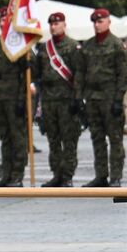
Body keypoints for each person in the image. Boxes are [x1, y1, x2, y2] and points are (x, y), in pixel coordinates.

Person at [78, 8, 127, 187]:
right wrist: (79, 98)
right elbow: (81, 72)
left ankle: (116, 176)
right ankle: (101, 175)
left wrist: (118, 98)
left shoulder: (116, 45)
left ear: (108, 22)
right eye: (95, 22)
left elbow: (123, 73)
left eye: (100, 21)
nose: (97, 25)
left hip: (110, 96)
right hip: (92, 98)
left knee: (115, 138)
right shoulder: (88, 45)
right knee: (97, 138)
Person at [34, 12, 82, 187]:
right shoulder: (44, 49)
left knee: (69, 140)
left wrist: (78, 99)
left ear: (64, 24)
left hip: (67, 100)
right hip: (48, 101)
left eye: (57, 23)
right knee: (53, 139)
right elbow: (37, 74)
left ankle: (67, 175)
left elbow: (79, 74)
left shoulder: (73, 47)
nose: (54, 27)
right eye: (51, 24)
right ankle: (56, 174)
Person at [0, 7, 27, 187]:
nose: (2, 22)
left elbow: (26, 73)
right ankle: (6, 174)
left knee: (17, 137)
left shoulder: (18, 42)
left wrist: (23, 98)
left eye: (4, 19)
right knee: (5, 138)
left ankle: (18, 174)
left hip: (14, 96)